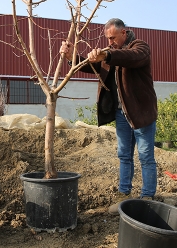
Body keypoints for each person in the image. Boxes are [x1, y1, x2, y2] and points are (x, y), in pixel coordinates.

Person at [60, 18, 157, 215]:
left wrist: (107, 54)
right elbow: (93, 66)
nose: (110, 41)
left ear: (124, 33)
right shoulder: (111, 52)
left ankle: (148, 196)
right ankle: (124, 193)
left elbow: (130, 57)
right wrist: (72, 57)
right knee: (124, 155)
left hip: (141, 113)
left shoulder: (140, 47)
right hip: (122, 114)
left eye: (113, 37)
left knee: (146, 156)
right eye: (107, 38)